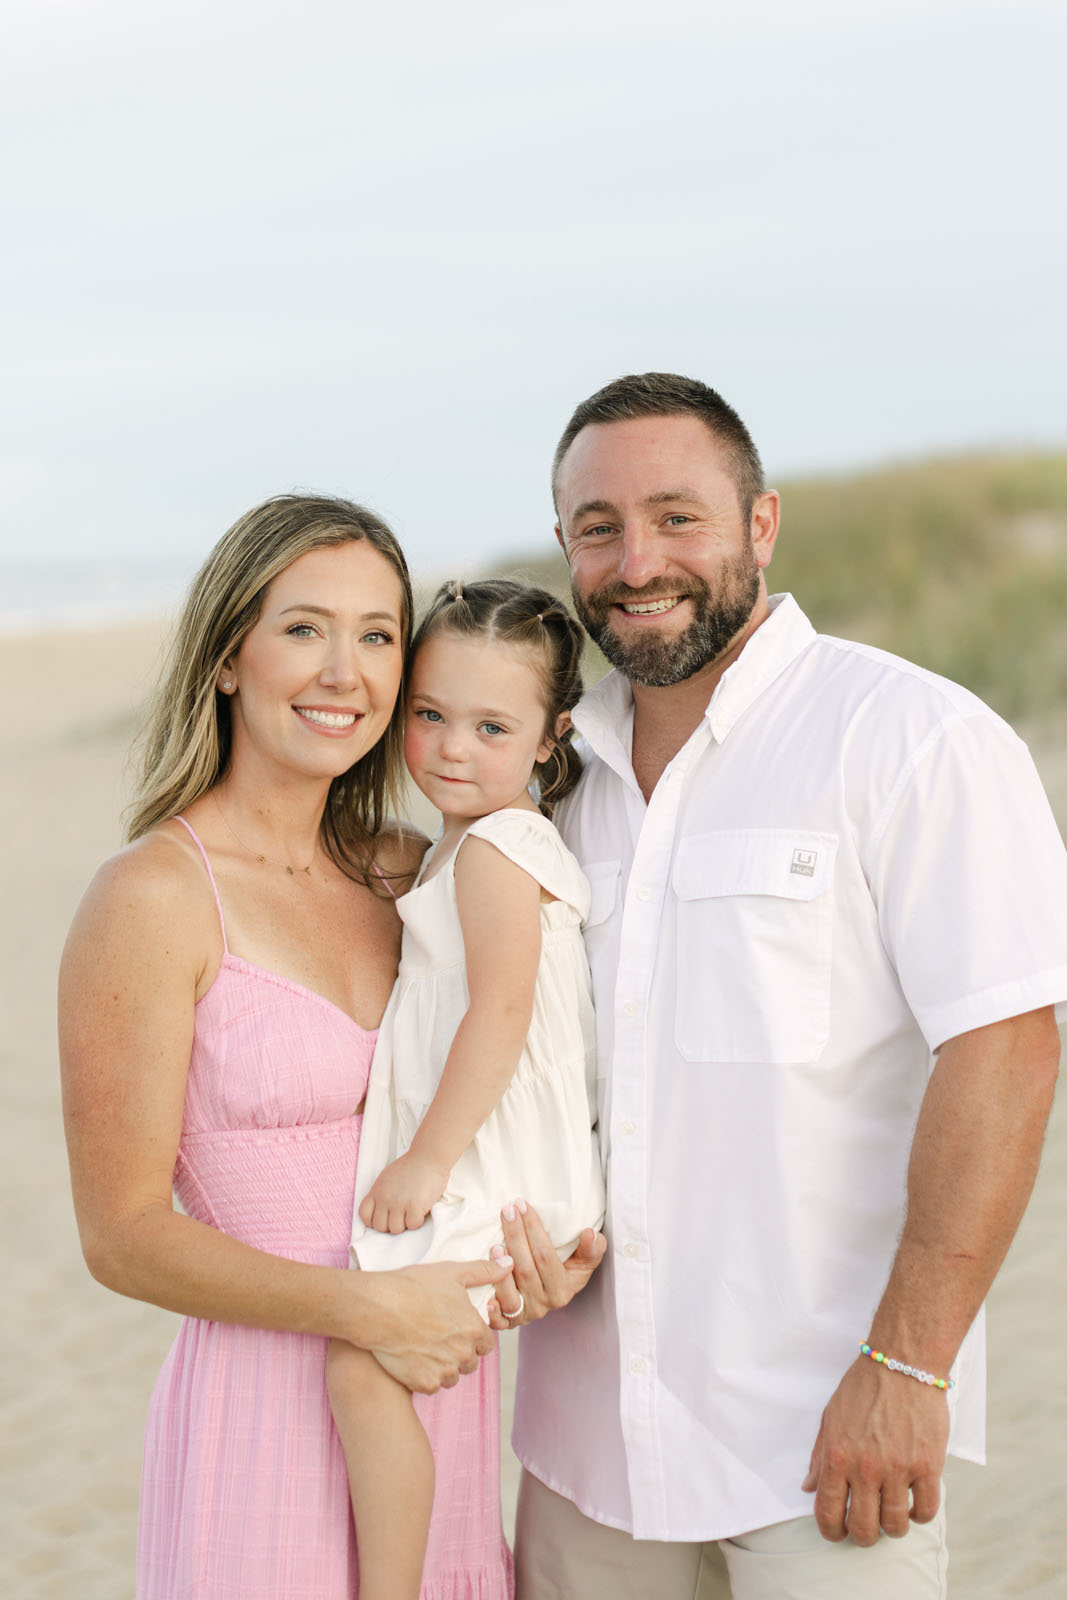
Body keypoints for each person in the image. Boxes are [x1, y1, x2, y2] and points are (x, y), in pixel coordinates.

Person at [503, 373, 1067, 1600]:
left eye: (676, 516)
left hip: (823, 1448)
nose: (636, 559)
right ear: (564, 548)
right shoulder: (551, 779)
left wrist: (910, 1367)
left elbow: (1007, 1048)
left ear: (761, 524)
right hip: (583, 1457)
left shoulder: (909, 738)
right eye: (597, 527)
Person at [58, 495, 519, 1599]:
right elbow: (120, 1236)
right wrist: (365, 1309)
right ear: (227, 656)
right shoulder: (155, 897)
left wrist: (543, 1243)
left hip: (432, 1390)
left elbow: (511, 1082)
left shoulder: (410, 873)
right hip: (263, 1406)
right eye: (304, 628)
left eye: (375, 635)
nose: (344, 672)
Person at [326, 579, 607, 1600]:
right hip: (504, 1165)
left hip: (495, 1170)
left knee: (361, 1364)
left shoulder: (495, 849)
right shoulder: (463, 842)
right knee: (370, 1359)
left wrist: (426, 1159)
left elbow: (498, 1017)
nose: (450, 747)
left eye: (490, 726)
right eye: (429, 715)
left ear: (549, 736)